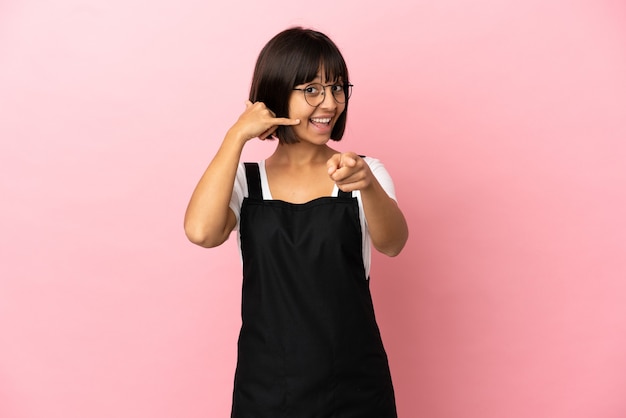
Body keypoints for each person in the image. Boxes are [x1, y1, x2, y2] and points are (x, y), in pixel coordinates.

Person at [184, 27, 408, 418]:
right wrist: (236, 135)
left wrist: (368, 186)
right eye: (311, 89)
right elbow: (202, 232)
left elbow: (393, 243)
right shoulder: (245, 182)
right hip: (268, 389)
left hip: (355, 387)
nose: (329, 103)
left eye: (337, 88)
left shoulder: (362, 172)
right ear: (275, 95)